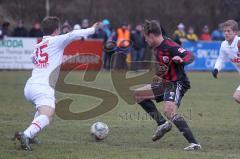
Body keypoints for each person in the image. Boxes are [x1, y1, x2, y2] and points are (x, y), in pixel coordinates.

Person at [12, 16, 99, 151]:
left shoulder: (39, 45)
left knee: (43, 110)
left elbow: (33, 59)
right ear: (57, 29)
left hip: (30, 86)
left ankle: (31, 134)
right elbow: (74, 34)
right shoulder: (57, 40)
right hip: (42, 86)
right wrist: (92, 29)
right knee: (47, 115)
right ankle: (27, 134)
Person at [133, 20, 201, 150]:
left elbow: (189, 56)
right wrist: (159, 75)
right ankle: (162, 124)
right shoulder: (156, 48)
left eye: (146, 37)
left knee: (169, 111)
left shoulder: (170, 46)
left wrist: (181, 59)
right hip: (166, 82)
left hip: (177, 83)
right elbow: (165, 65)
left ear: (152, 36)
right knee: (138, 94)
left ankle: (194, 144)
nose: (146, 40)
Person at [212, 19, 240, 104]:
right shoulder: (224, 45)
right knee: (237, 97)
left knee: (237, 96)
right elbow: (221, 58)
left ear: (235, 33)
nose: (226, 33)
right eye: (224, 31)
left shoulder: (239, 42)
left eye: (228, 31)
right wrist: (216, 69)